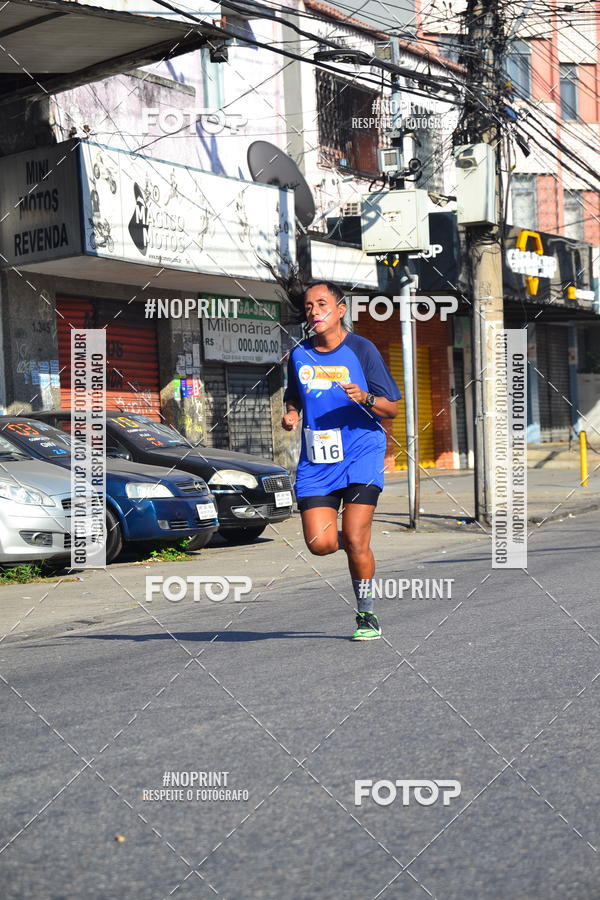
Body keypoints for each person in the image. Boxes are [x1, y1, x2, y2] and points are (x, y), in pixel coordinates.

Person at [282, 281, 400, 641]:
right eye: (308, 307)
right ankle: (355, 539)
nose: (314, 312)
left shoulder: (362, 350)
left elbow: (391, 407)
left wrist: (364, 397)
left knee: (354, 535)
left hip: (362, 451)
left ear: (340, 310)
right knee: (319, 543)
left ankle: (366, 614)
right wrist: (290, 413)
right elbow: (294, 397)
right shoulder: (299, 355)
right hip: (318, 459)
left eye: (322, 304)